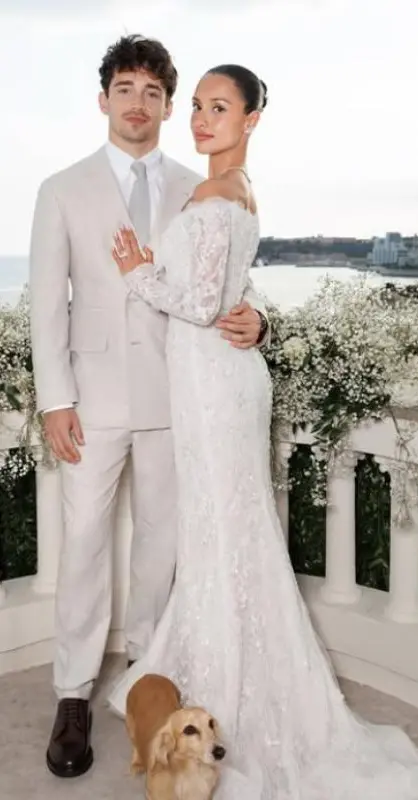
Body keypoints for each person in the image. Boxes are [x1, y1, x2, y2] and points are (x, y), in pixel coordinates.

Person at [102, 63, 418, 799]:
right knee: (227, 534)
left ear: (251, 119)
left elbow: (202, 303)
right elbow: (229, 292)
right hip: (220, 381)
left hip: (215, 386)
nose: (203, 120)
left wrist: (138, 271)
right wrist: (257, 314)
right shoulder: (237, 191)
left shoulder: (215, 191)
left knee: (226, 533)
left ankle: (234, 696)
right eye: (199, 107)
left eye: (220, 108)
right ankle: (210, 673)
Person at [28, 35, 270, 779]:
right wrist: (55, 399)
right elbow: (47, 304)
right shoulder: (61, 188)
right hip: (91, 401)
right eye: (125, 88)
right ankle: (72, 694)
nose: (139, 104)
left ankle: (148, 672)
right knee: (86, 545)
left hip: (181, 397)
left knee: (164, 541)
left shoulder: (195, 186)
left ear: (167, 107)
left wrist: (261, 319)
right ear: (104, 99)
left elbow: (226, 276)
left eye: (153, 92)